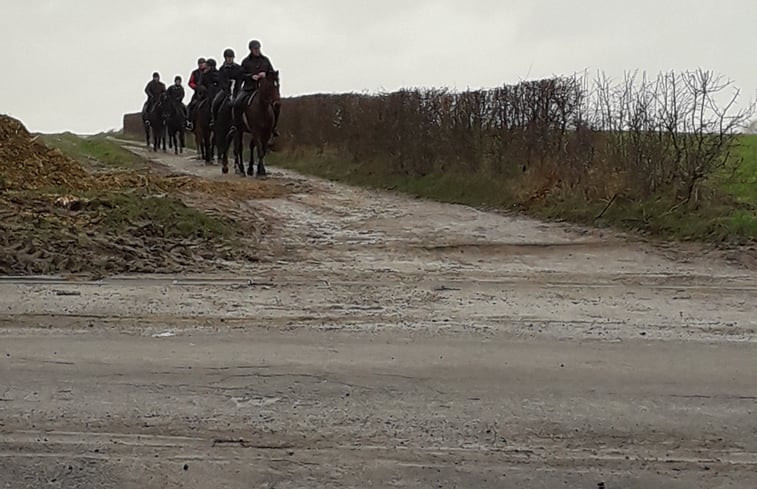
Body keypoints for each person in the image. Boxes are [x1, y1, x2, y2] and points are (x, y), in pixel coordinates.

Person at [232, 40, 279, 137]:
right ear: (251, 50)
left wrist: (265, 74)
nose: (257, 50)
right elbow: (241, 75)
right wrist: (251, 76)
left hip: (264, 89)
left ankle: (273, 127)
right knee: (237, 103)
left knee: (277, 104)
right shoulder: (246, 61)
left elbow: (273, 73)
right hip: (249, 88)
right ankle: (237, 126)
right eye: (255, 49)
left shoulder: (265, 60)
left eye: (258, 48)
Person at [211, 48, 242, 128]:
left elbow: (240, 79)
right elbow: (221, 81)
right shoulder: (222, 69)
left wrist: (237, 89)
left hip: (237, 89)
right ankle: (214, 120)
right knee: (215, 102)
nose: (230, 59)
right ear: (225, 58)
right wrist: (227, 90)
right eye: (228, 57)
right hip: (225, 90)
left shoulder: (238, 68)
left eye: (231, 57)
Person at [186, 58, 207, 129]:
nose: (201, 65)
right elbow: (190, 82)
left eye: (202, 63)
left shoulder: (208, 71)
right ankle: (189, 122)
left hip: (208, 93)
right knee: (190, 106)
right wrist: (196, 87)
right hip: (198, 94)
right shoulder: (195, 73)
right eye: (200, 64)